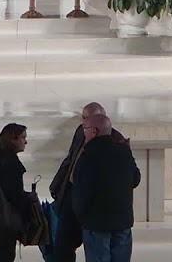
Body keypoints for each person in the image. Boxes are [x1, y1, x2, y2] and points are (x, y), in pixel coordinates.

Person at [49, 103, 127, 262]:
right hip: (72, 194)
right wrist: (57, 183)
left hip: (95, 202)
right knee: (63, 244)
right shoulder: (80, 132)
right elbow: (70, 159)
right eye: (83, 118)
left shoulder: (116, 141)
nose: (84, 123)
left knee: (98, 250)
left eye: (88, 119)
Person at [72, 114, 140, 262]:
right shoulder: (124, 152)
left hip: (96, 224)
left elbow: (81, 191)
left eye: (86, 129)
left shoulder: (88, 156)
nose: (84, 133)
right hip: (122, 221)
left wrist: (81, 216)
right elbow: (135, 179)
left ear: (94, 132)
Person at [0, 123, 36, 262]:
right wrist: (29, 199)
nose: (25, 141)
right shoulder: (11, 163)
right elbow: (14, 194)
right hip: (8, 217)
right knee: (7, 254)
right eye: (23, 138)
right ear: (13, 139)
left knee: (4, 253)